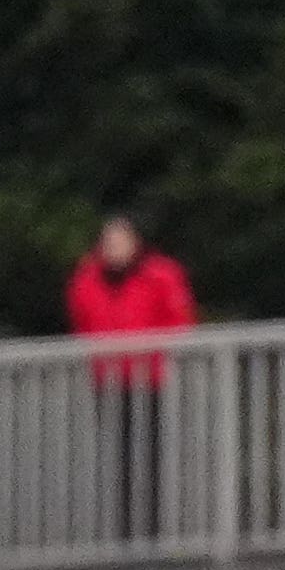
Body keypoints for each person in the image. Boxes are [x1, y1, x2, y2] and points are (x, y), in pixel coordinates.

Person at [65, 212, 196, 540]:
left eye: (120, 241)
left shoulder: (161, 275)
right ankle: (125, 533)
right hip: (108, 382)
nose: (114, 248)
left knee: (150, 457)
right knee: (119, 459)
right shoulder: (86, 279)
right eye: (108, 242)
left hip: (150, 380)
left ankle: (151, 531)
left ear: (135, 243)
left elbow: (181, 323)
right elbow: (81, 324)